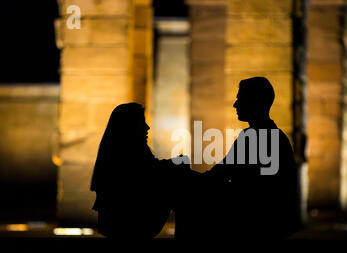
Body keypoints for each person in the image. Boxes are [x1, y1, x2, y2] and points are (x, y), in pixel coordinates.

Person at [177, 77, 301, 240]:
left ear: (255, 102)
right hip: (273, 221)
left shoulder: (253, 138)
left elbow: (219, 176)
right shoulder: (275, 137)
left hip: (257, 223)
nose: (235, 104)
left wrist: (184, 176)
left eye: (240, 99)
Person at [90, 103, 188, 238]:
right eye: (142, 122)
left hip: (118, 222)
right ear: (130, 126)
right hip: (128, 222)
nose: (147, 127)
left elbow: (152, 170)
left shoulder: (117, 150)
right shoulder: (127, 152)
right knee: (182, 186)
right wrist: (177, 165)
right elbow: (150, 174)